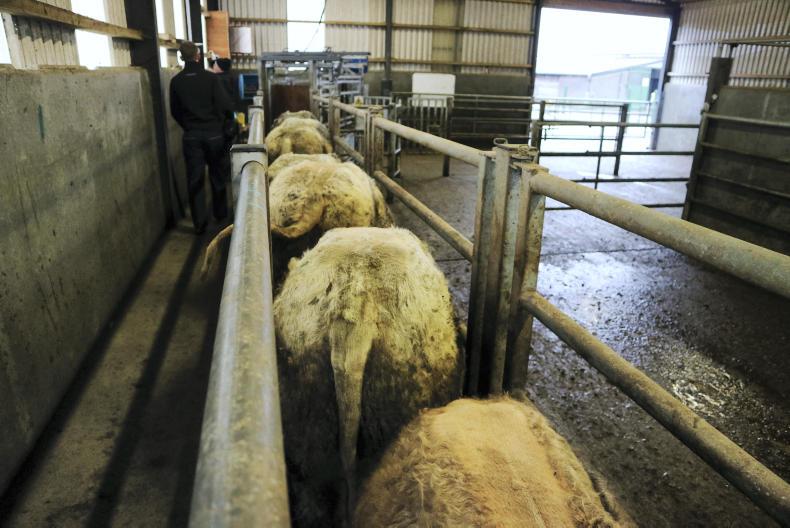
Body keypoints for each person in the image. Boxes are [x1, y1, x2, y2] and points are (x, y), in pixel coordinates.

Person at [169, 41, 234, 234]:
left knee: (195, 179)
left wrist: (189, 127)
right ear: (198, 56)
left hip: (192, 137)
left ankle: (199, 223)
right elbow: (224, 105)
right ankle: (220, 215)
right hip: (214, 135)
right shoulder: (211, 78)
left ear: (181, 57)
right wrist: (222, 126)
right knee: (218, 175)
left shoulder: (176, 82)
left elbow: (175, 111)